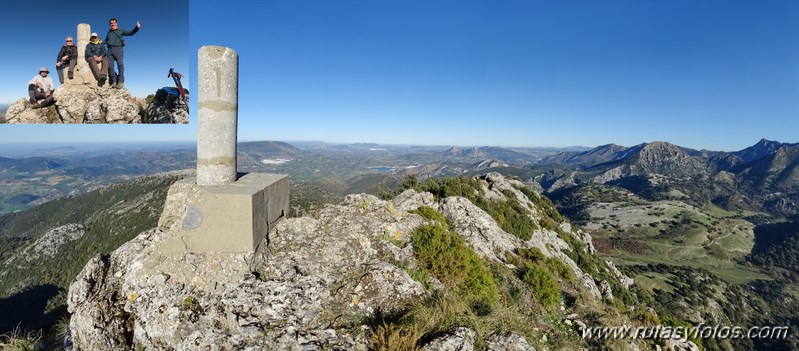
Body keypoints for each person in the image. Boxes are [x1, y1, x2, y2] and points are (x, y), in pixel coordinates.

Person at [105, 18, 140, 89]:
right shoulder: (109, 33)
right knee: (110, 66)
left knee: (120, 65)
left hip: (118, 49)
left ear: (116, 23)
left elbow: (130, 33)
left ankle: (120, 81)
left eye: (114, 22)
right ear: (110, 24)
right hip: (109, 50)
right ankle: (114, 81)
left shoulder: (120, 31)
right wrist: (100, 42)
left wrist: (136, 28)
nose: (112, 24)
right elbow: (106, 40)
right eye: (111, 23)